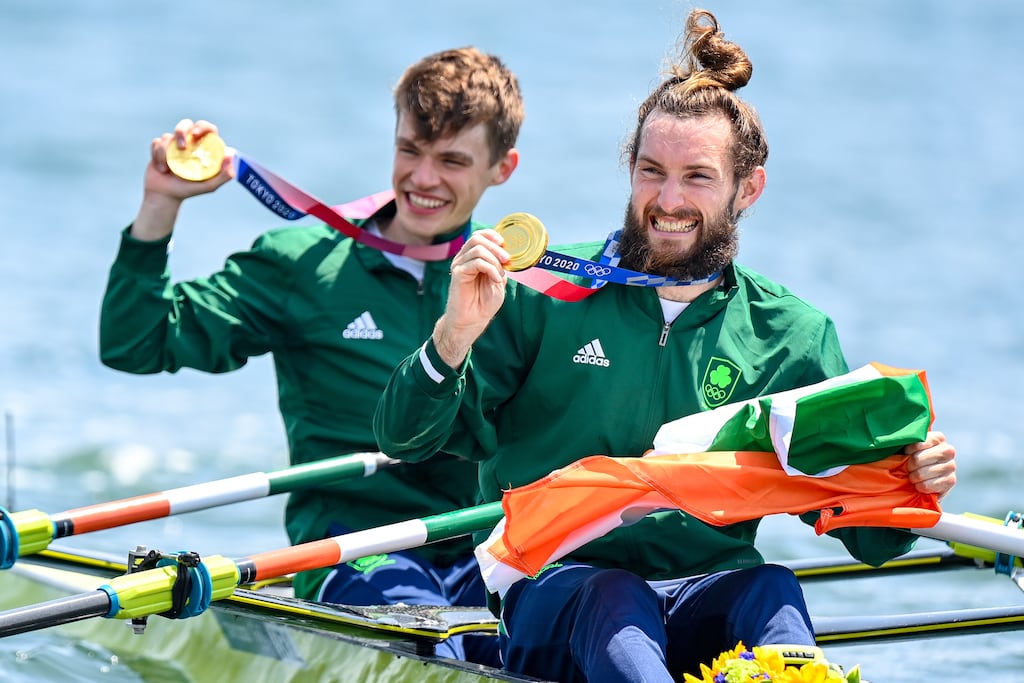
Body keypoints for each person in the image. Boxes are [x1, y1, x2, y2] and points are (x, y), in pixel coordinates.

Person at [374, 11, 957, 683]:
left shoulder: (793, 335)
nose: (668, 199)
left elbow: (875, 537)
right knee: (612, 591)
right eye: (652, 171)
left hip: (705, 593)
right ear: (629, 169)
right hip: (554, 592)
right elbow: (405, 436)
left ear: (749, 188)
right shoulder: (539, 297)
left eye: (697, 177)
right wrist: (453, 334)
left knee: (771, 587)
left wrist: (913, 476)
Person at [98, 47, 524, 665]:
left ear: (502, 169)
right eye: (410, 150)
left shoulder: (519, 281)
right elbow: (136, 342)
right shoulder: (302, 264)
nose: (423, 179)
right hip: (352, 546)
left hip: (481, 545)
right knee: (442, 651)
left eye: (452, 161)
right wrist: (162, 203)